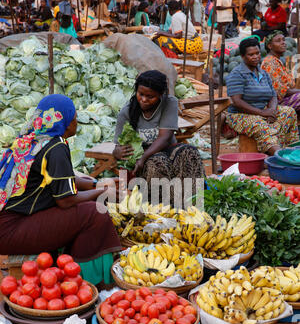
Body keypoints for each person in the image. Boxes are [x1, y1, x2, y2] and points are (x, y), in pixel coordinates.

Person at [0, 94, 122, 286]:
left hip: (9, 222)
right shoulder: (55, 147)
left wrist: (95, 184)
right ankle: (86, 282)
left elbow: (61, 179)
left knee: (87, 184)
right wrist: (101, 192)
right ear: (64, 122)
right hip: (12, 231)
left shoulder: (31, 138)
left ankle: (67, 267)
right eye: (73, 117)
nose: (76, 122)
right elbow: (65, 200)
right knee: (93, 212)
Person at [112, 70, 205, 205]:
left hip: (167, 149)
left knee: (190, 153)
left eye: (150, 96)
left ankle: (191, 202)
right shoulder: (127, 112)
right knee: (157, 163)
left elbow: (165, 137)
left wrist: (144, 158)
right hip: (143, 157)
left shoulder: (169, 102)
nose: (144, 99)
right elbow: (117, 147)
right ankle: (163, 207)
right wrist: (118, 152)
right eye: (140, 94)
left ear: (161, 95)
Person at [225, 37, 298, 156]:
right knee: (260, 125)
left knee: (289, 112)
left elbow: (273, 95)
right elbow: (237, 102)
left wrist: (272, 111)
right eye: (251, 54)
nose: (255, 57)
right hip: (240, 115)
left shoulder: (263, 73)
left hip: (263, 111)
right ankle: (281, 156)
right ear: (243, 57)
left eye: (257, 53)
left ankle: (288, 147)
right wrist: (261, 113)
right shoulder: (237, 74)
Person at [261, 31, 300, 114]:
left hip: (285, 99)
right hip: (275, 104)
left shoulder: (277, 60)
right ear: (270, 46)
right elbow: (281, 91)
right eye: (278, 41)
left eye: (283, 40)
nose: (283, 43)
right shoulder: (269, 62)